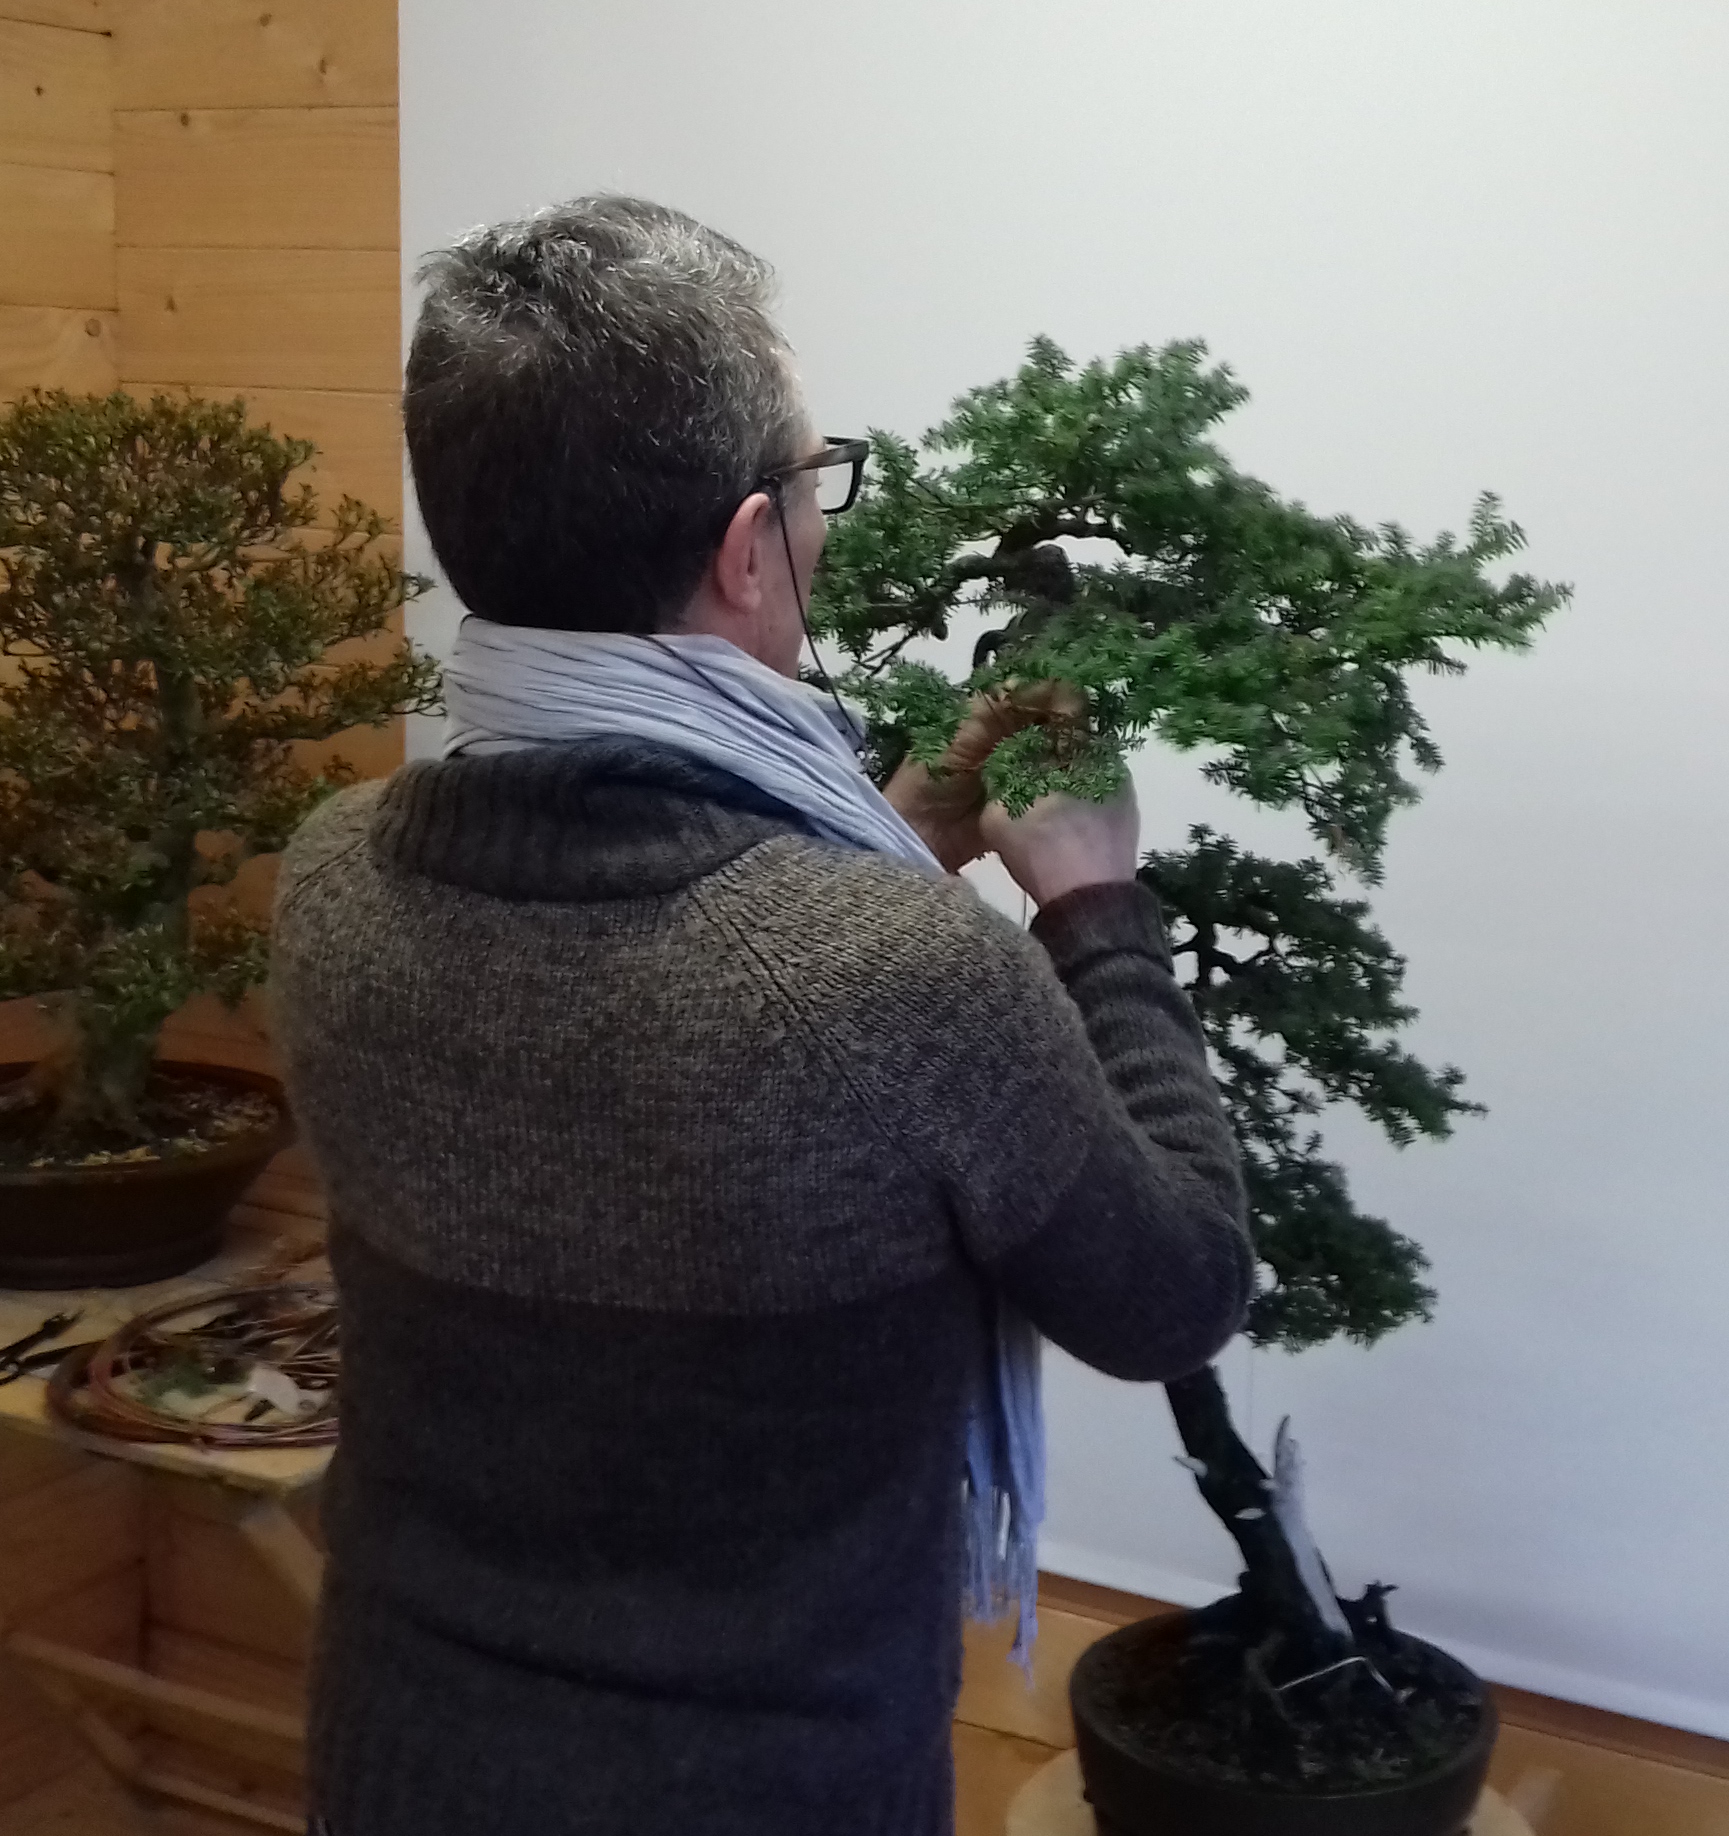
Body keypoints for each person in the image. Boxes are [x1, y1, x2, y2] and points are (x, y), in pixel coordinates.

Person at [268, 194, 1251, 1836]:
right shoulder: (898, 983)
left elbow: (654, 1053)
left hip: (403, 1755)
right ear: (746, 547)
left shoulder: (332, 881)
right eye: (814, 480)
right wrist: (1094, 903)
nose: (822, 515)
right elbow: (1175, 1292)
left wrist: (891, 839)